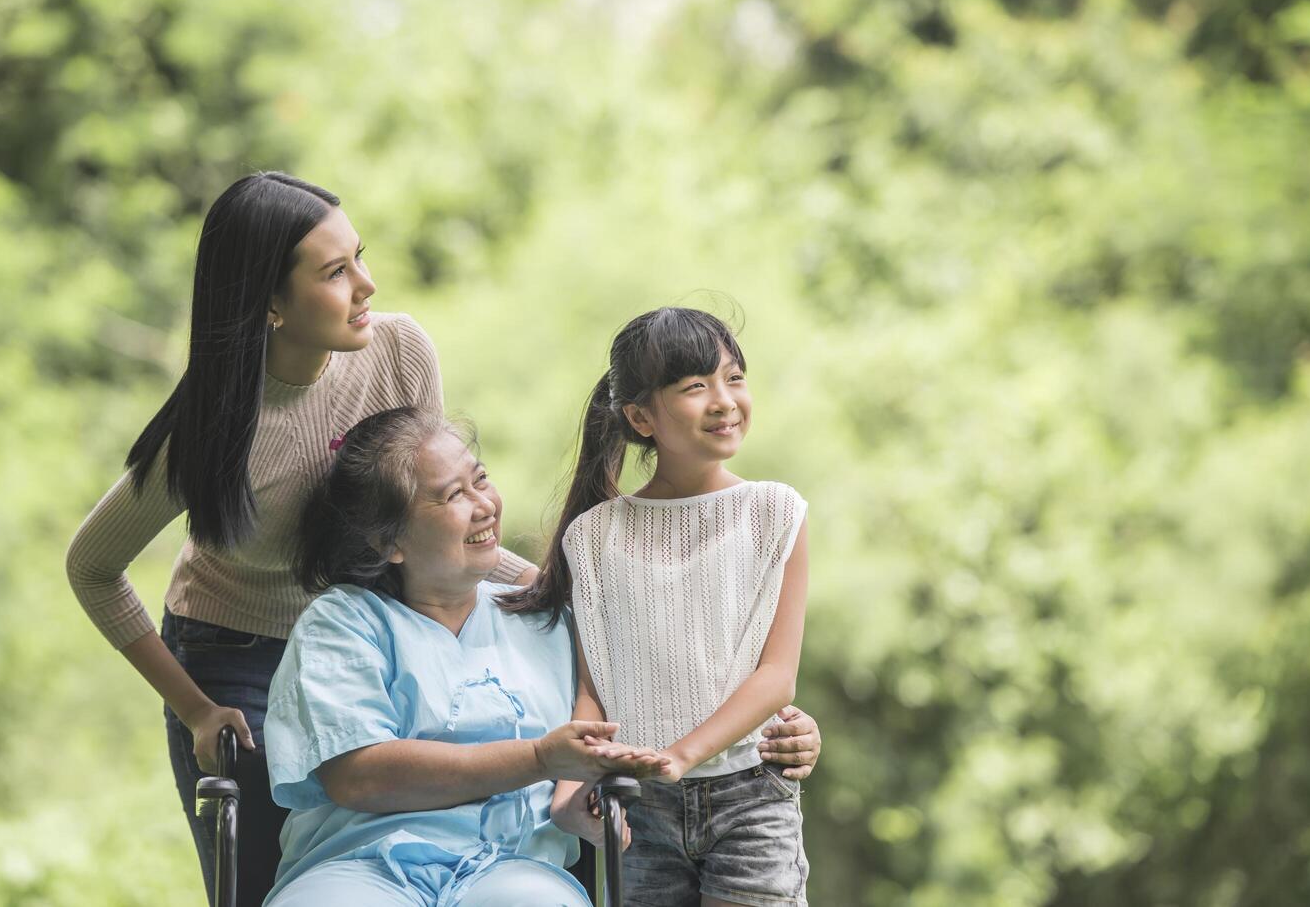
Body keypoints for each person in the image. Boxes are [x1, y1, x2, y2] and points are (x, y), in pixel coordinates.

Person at [64, 172, 536, 906]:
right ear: (271, 303)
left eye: (360, 257)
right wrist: (194, 709)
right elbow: (93, 567)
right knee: (266, 885)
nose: (367, 285)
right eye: (336, 272)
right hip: (240, 660)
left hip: (371, 638)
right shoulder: (210, 435)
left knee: (407, 864)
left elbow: (431, 524)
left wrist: (550, 588)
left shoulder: (399, 352)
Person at [263, 407, 667, 905]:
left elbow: (661, 695)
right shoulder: (343, 624)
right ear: (388, 540)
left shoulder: (548, 620)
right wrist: (538, 757)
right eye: (454, 495)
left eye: (480, 480)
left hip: (512, 871)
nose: (485, 505)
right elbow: (359, 776)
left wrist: (777, 726)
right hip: (360, 867)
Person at [502, 307, 811, 906]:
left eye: (734, 378)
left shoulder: (776, 513)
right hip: (635, 810)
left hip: (751, 799)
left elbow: (777, 677)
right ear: (641, 416)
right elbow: (594, 691)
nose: (724, 400)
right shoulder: (592, 538)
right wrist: (572, 792)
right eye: (696, 387)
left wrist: (680, 755)